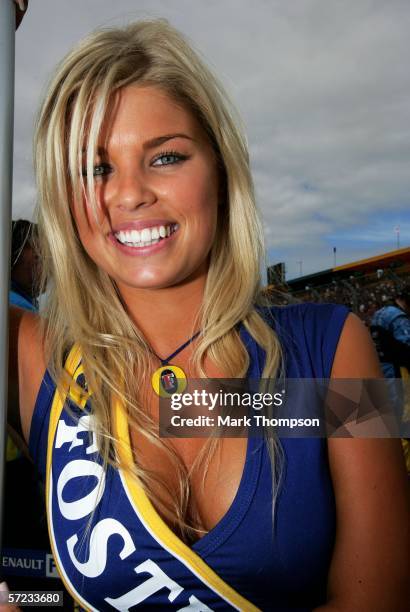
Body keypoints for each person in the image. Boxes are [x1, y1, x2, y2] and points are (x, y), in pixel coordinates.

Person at [7, 19, 409, 611]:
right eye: (94, 168)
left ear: (220, 172)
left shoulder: (329, 348)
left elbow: (383, 600)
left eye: (165, 156)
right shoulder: (31, 352)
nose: (128, 193)